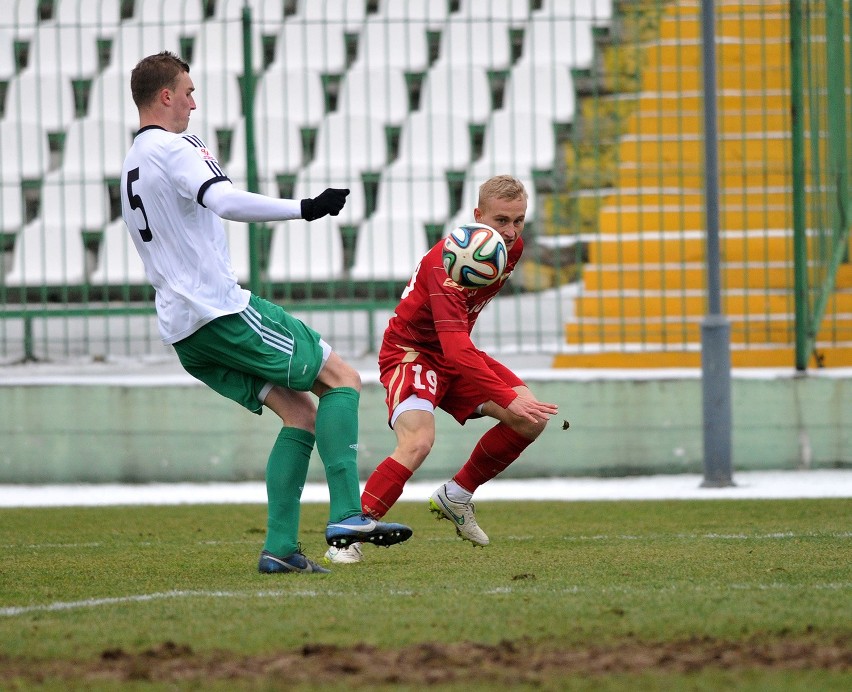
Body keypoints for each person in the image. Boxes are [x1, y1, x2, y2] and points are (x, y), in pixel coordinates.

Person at [120, 51, 412, 574]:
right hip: (220, 311)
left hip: (185, 333)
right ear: (164, 96)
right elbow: (224, 201)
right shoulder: (175, 145)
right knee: (342, 378)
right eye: (187, 91)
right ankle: (349, 513)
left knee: (300, 413)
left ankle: (279, 549)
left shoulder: (132, 163)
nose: (193, 101)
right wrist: (304, 207)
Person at [325, 175, 559, 564]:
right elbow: (452, 348)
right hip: (412, 353)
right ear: (477, 215)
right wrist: (504, 397)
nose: (511, 231)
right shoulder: (446, 263)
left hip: (458, 351)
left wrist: (510, 400)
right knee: (418, 440)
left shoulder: (509, 251)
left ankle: (457, 495)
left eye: (519, 221)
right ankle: (349, 537)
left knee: (531, 420)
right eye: (501, 220)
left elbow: (458, 346)